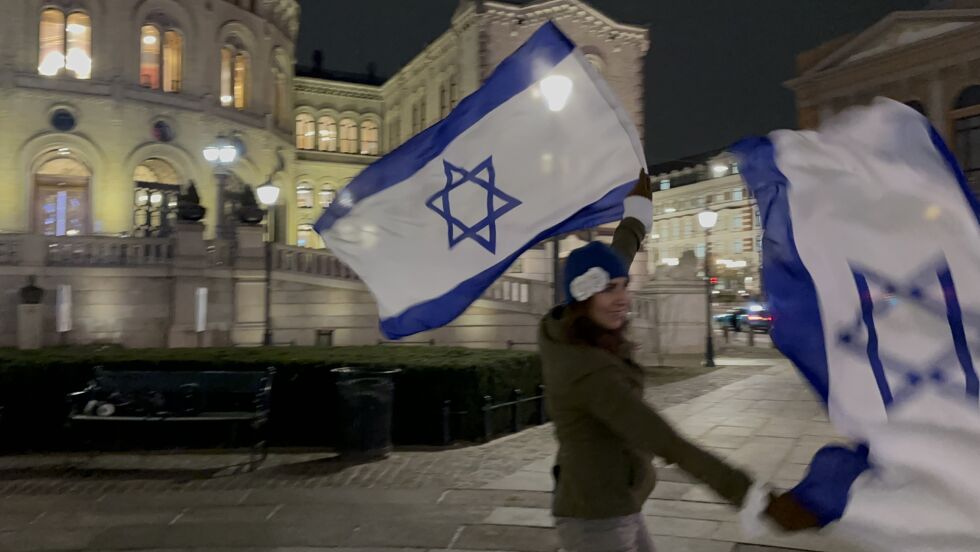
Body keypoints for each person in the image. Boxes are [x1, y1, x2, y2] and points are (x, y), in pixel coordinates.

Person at [538, 170, 816, 551]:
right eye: (607, 290)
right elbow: (666, 441)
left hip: (614, 500)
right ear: (582, 298)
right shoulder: (587, 372)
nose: (621, 298)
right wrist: (756, 498)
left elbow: (617, 253)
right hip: (595, 516)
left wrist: (637, 213)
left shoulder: (576, 325)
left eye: (623, 286)